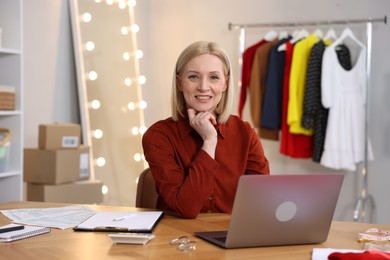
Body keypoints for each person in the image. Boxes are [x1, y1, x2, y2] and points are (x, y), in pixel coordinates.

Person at [142, 41, 270, 219]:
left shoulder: (244, 132)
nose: (203, 86)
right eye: (193, 77)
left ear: (225, 83)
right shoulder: (158, 136)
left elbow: (262, 200)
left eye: (214, 77)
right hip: (177, 238)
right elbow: (186, 208)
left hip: (230, 236)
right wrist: (209, 142)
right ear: (179, 82)